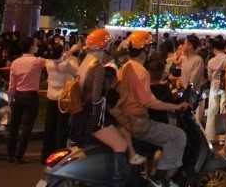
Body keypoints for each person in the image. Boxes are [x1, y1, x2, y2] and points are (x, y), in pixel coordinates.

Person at [115, 31, 188, 187]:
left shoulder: (125, 67)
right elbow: (149, 102)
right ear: (145, 50)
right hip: (138, 123)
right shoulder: (141, 71)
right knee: (178, 135)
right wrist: (176, 106)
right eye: (148, 48)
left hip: (125, 120)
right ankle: (160, 179)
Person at [71, 29, 133, 184]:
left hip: (81, 116)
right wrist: (95, 125)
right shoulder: (97, 67)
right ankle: (117, 181)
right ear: (104, 47)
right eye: (110, 46)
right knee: (121, 144)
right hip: (92, 118)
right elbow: (96, 98)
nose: (111, 50)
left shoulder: (85, 65)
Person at [7, 37, 47, 164]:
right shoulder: (37, 61)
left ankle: (10, 154)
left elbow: (12, 84)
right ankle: (19, 155)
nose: (37, 47)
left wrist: (11, 98)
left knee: (14, 126)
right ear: (31, 47)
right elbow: (53, 62)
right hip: (31, 95)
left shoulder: (15, 62)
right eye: (35, 45)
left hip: (18, 95)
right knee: (27, 126)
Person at [42, 40, 79, 162]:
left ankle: (45, 153)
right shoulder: (65, 65)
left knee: (50, 126)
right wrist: (69, 55)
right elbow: (76, 70)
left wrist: (65, 55)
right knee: (61, 128)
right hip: (63, 99)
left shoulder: (48, 63)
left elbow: (59, 58)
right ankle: (59, 155)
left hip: (51, 97)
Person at [204, 38, 226, 143]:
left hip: (214, 87)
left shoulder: (211, 61)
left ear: (214, 49)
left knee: (212, 111)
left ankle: (209, 135)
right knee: (224, 111)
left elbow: (210, 77)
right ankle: (223, 137)